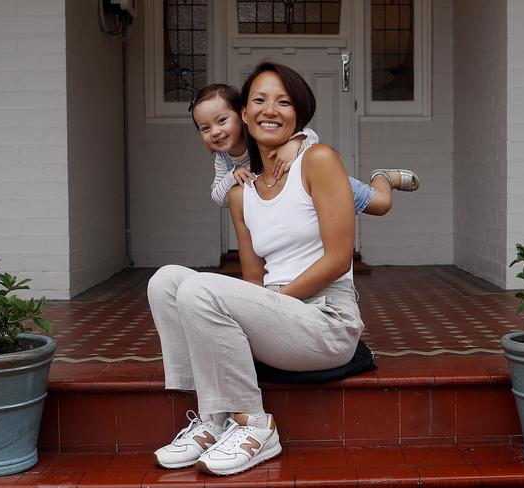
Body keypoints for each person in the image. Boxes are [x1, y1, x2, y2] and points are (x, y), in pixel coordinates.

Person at [147, 62, 365, 476]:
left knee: (203, 289)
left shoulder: (317, 160)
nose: (271, 109)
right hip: (276, 316)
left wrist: (273, 301)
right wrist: (264, 304)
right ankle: (213, 418)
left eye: (284, 101)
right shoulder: (239, 193)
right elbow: (252, 281)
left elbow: (339, 259)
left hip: (326, 321)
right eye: (260, 100)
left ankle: (255, 424)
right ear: (245, 114)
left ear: (298, 114)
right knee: (167, 282)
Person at [190, 82, 419, 212]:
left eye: (221, 121)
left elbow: (311, 136)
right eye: (205, 128)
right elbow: (218, 197)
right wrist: (233, 175)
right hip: (293, 202)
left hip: (323, 183)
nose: (215, 131)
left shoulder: (264, 134)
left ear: (243, 115)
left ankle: (384, 178)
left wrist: (294, 144)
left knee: (380, 204)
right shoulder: (224, 160)